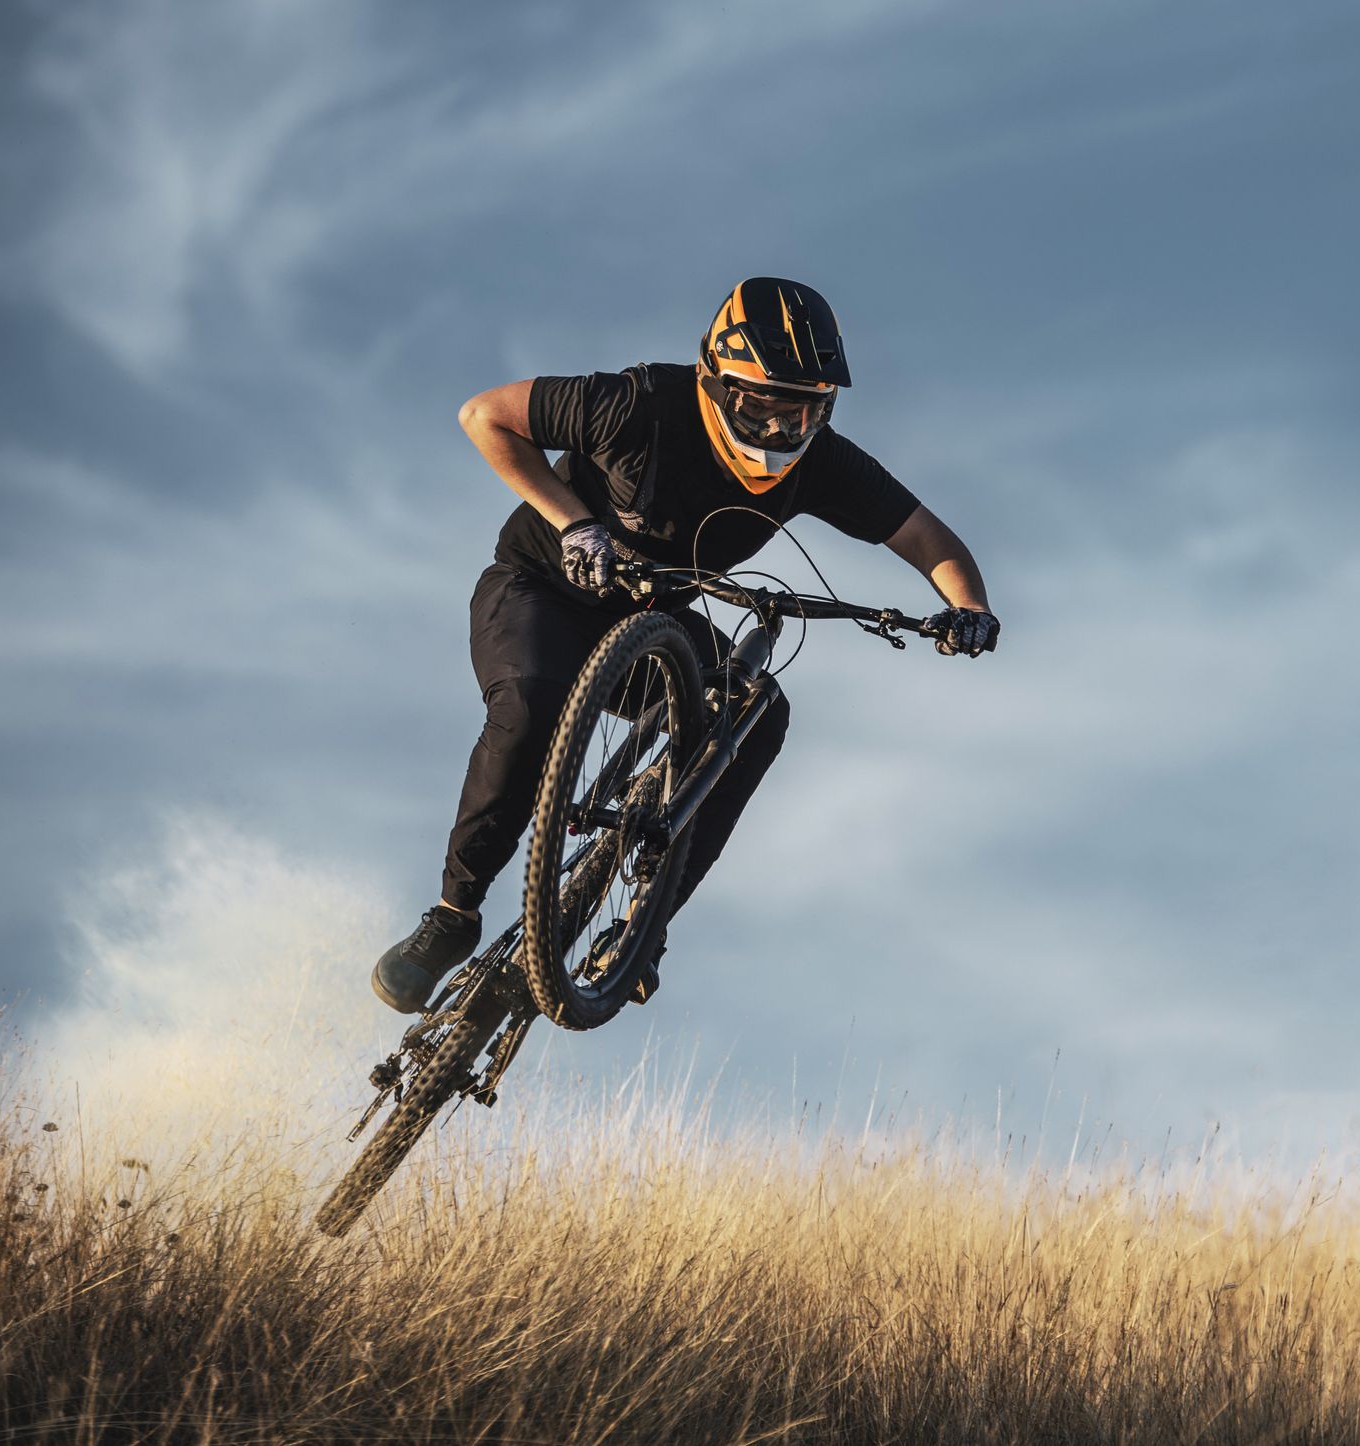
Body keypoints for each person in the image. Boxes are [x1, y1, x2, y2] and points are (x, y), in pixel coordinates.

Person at [371, 278, 999, 1012]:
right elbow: (484, 417)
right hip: (538, 590)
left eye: (805, 408)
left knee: (756, 711)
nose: (781, 427)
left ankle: (645, 925)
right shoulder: (638, 403)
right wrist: (574, 522)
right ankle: (452, 917)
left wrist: (968, 607)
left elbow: (925, 536)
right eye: (763, 404)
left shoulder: (820, 461)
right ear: (715, 382)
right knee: (534, 702)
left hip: (644, 623)